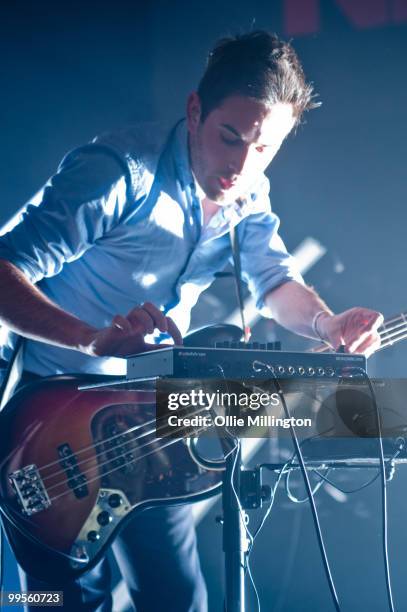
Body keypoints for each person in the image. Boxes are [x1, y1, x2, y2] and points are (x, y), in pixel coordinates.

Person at [0, 31, 382, 611]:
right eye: (229, 137)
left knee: (178, 600)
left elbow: (274, 281)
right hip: (55, 425)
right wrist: (93, 336)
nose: (240, 165)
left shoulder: (250, 192)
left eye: (263, 149)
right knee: (60, 602)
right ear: (194, 109)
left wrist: (328, 325)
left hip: (154, 417)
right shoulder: (116, 173)